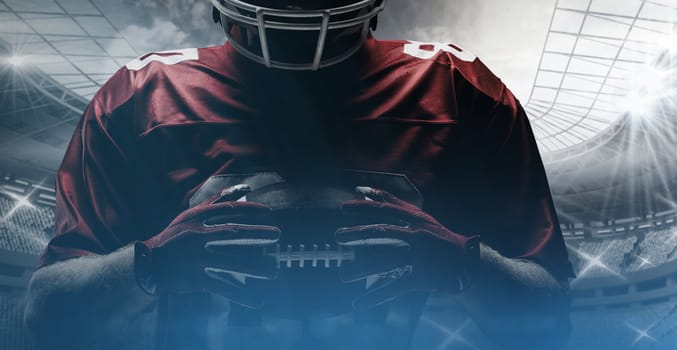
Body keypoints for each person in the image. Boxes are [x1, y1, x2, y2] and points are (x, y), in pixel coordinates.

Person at [23, 0, 575, 349]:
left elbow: (548, 313)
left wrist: (460, 262)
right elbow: (47, 314)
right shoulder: (142, 97)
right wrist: (153, 261)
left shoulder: (457, 89)